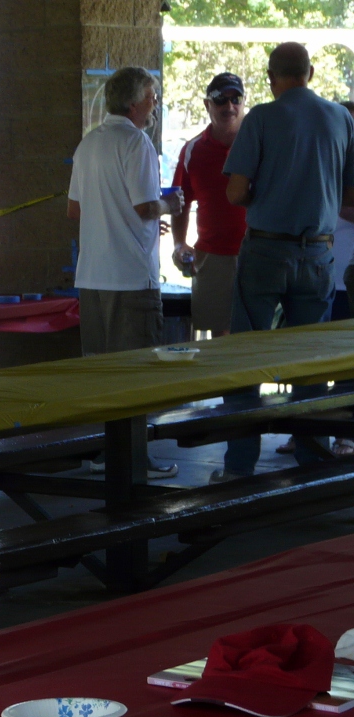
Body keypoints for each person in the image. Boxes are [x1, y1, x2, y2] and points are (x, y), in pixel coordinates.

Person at [215, 42, 354, 481]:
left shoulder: (260, 117)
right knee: (309, 362)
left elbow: (236, 192)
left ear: (272, 77)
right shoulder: (341, 117)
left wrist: (266, 194)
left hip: (266, 251)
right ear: (310, 72)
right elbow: (349, 194)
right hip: (318, 253)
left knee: (247, 359)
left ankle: (240, 466)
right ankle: (311, 460)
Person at [68, 65, 185, 478]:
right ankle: (135, 460)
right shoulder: (136, 143)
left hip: (92, 275)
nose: (155, 105)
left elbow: (76, 210)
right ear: (135, 102)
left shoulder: (88, 144)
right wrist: (172, 204)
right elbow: (143, 206)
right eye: (151, 97)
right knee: (137, 371)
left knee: (100, 370)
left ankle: (105, 453)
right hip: (131, 276)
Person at [171, 73, 248, 339]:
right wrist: (179, 243)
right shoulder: (193, 150)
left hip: (259, 252)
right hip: (213, 256)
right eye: (220, 100)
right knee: (220, 338)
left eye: (235, 99)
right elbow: (179, 202)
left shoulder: (260, 143)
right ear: (207, 104)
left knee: (257, 338)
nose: (229, 106)